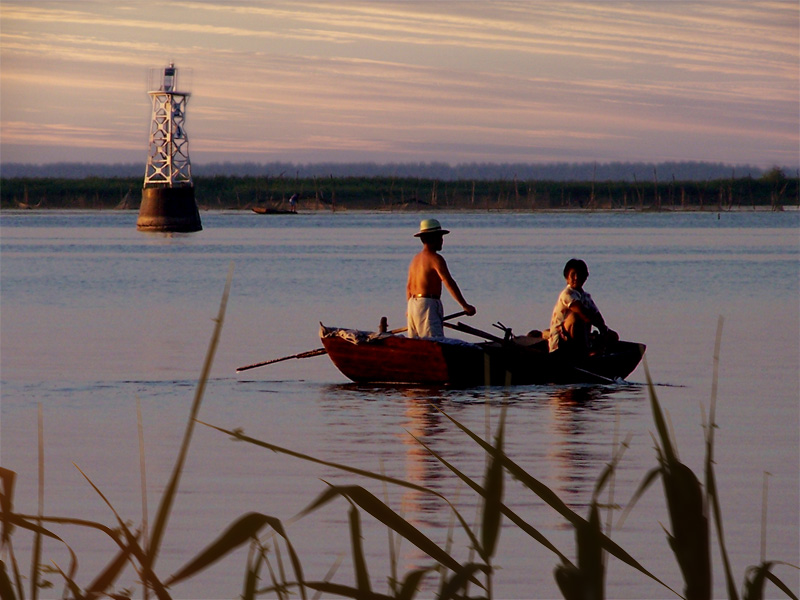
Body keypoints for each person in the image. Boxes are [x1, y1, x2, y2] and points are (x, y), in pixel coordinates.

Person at [406, 218, 476, 338]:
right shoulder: (435, 258)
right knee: (433, 342)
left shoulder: (415, 259)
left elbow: (409, 287)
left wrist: (409, 310)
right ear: (433, 238)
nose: (442, 241)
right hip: (427, 305)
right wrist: (464, 305)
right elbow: (448, 282)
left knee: (416, 343)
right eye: (440, 237)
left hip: (412, 305)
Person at [548, 258, 618, 355]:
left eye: (580, 275)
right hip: (560, 344)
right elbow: (583, 313)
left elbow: (597, 317)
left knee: (612, 336)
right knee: (576, 317)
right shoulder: (567, 294)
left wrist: (605, 330)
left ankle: (587, 350)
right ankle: (580, 353)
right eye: (573, 275)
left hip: (581, 340)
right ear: (566, 278)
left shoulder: (586, 296)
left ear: (585, 277)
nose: (576, 278)